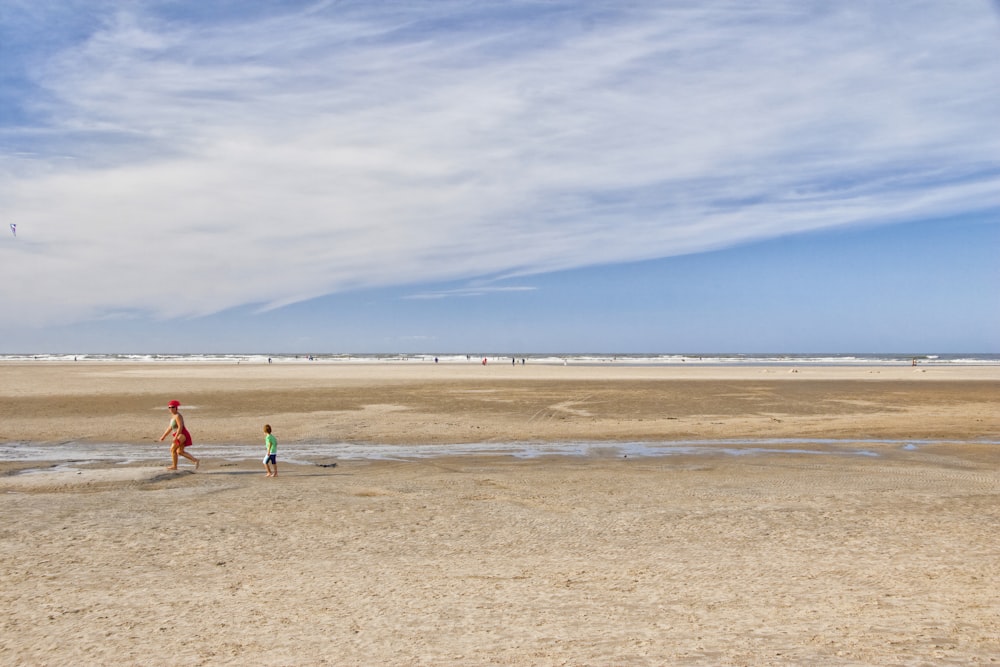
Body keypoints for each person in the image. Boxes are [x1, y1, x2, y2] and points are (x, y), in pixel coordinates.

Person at [159, 400, 200, 470]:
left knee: (172, 449)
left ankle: (174, 466)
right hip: (178, 434)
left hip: (182, 434)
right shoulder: (173, 416)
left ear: (176, 407)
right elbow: (170, 427)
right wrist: (164, 436)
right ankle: (195, 460)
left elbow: (180, 427)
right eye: (169, 407)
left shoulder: (178, 416)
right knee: (180, 452)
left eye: (172, 407)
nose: (171, 409)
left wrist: (176, 437)